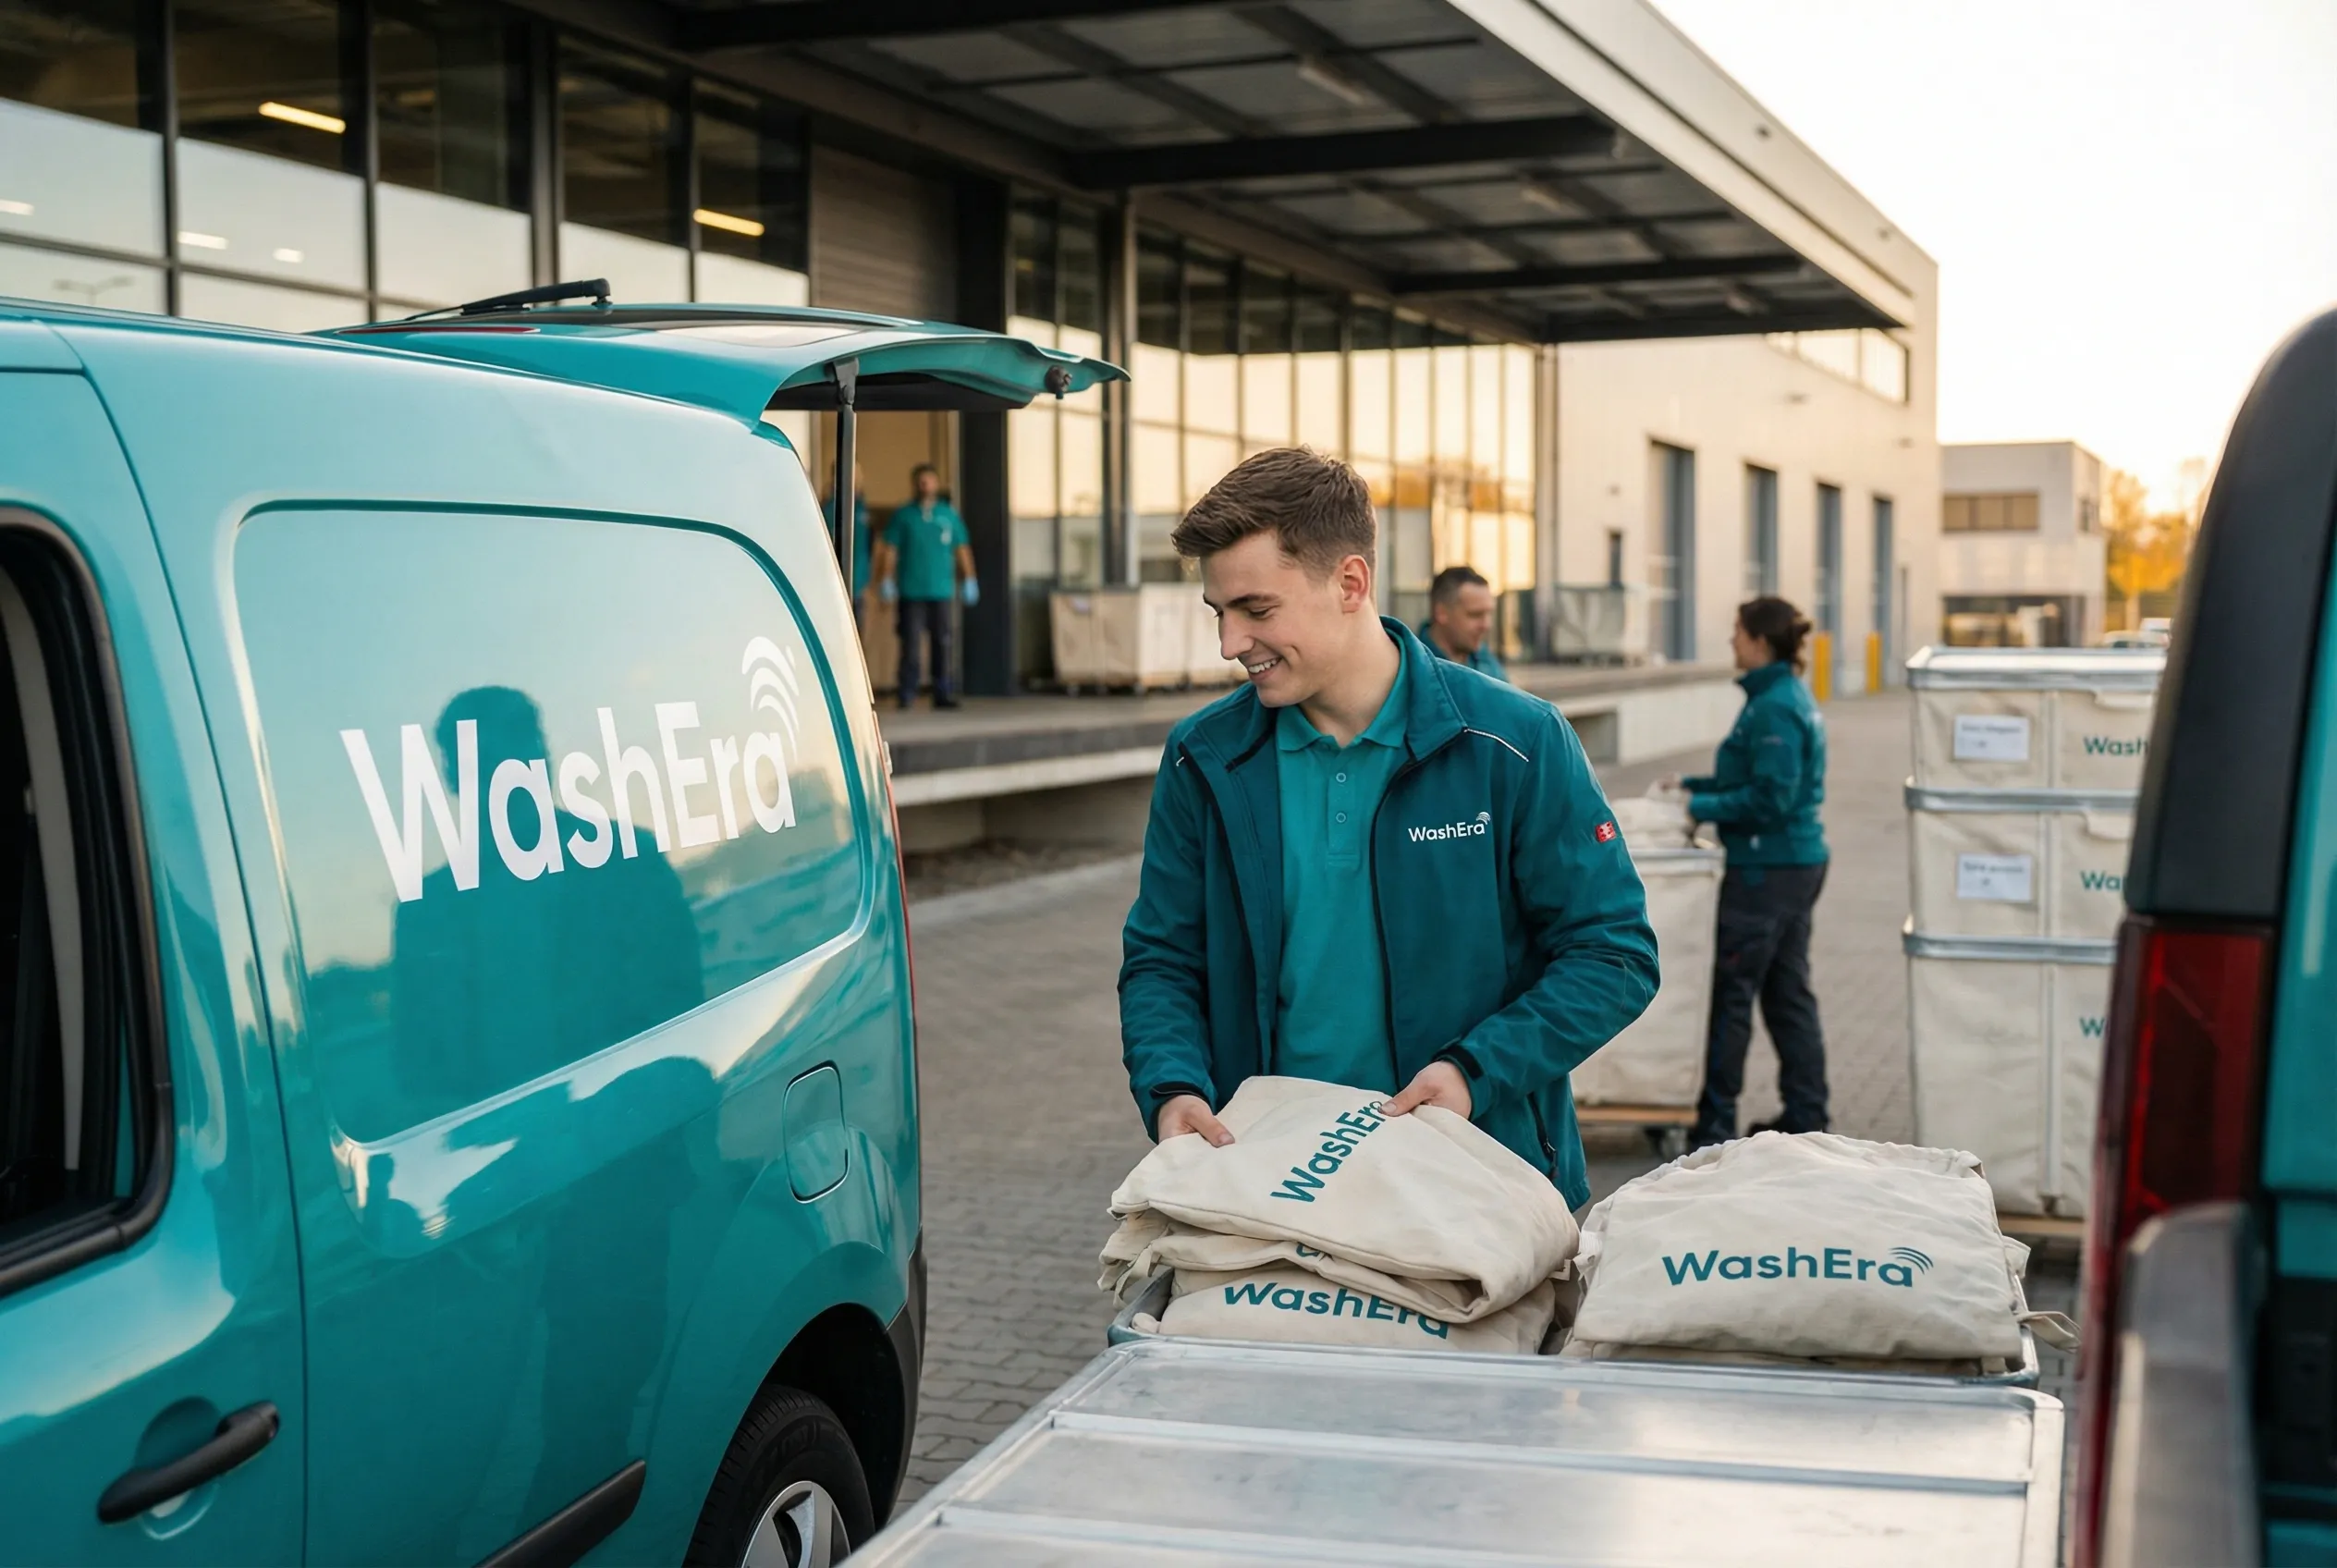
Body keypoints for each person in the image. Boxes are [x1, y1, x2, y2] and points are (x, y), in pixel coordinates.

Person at [1118, 447, 1658, 1209]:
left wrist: (1474, 1072)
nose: (1230, 643)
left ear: (1351, 583)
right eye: (1219, 612)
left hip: (1478, 1178)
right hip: (1267, 1179)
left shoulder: (1515, 742)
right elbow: (1164, 959)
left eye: (1257, 611)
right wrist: (1172, 1087)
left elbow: (1614, 955)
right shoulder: (1203, 758)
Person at [1677, 596, 1831, 1149]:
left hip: (1768, 870)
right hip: (1791, 864)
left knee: (1735, 996)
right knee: (1787, 993)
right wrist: (1690, 788)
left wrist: (1700, 808)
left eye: (1738, 632)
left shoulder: (1774, 708)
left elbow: (1771, 797)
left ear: (1760, 642)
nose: (1732, 642)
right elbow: (1752, 778)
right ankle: (1806, 1114)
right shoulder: (1780, 696)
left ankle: (1714, 1125)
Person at [872, 462, 977, 709]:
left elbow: (962, 549)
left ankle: (942, 692)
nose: (925, 485)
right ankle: (907, 692)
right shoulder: (904, 516)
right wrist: (886, 579)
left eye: (929, 481)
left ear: (936, 484)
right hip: (911, 591)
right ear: (914, 484)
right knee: (910, 643)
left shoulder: (948, 515)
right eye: (921, 481)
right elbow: (890, 550)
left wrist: (969, 578)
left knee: (942, 642)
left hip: (941, 591)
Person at [1419, 564, 1510, 681]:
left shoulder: (1486, 661)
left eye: (1489, 614)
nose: (1486, 625)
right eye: (1475, 615)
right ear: (1441, 613)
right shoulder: (1414, 666)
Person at [821, 463, 870, 625]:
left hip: (858, 581)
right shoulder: (830, 507)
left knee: (857, 628)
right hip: (834, 581)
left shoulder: (861, 506)